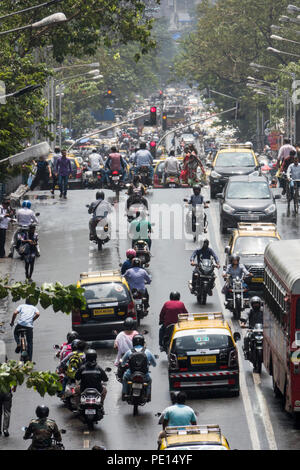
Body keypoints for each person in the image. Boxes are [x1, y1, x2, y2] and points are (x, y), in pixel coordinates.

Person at [121, 334, 156, 401]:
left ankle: (124, 393)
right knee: (149, 381)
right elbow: (154, 364)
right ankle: (148, 396)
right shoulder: (147, 351)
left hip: (131, 374)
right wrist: (151, 364)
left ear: (133, 342)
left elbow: (122, 362)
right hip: (144, 375)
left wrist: (123, 364)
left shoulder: (129, 351)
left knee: (125, 378)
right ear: (143, 342)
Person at [241, 296, 263, 361]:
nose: (256, 305)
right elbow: (245, 315)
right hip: (252, 330)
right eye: (254, 304)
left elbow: (268, 318)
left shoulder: (263, 311)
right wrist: (244, 321)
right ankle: (246, 352)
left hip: (262, 330)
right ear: (252, 304)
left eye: (257, 303)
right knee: (246, 338)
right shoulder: (250, 311)